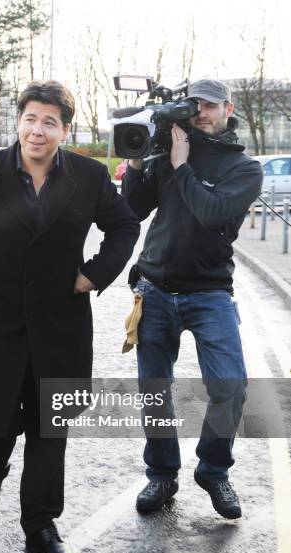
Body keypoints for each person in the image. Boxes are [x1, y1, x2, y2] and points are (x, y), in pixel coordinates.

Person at [0, 80, 140, 553]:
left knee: (51, 431)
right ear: (19, 121)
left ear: (64, 130)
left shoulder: (90, 177)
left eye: (49, 121)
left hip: (62, 326)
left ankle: (42, 531)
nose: (37, 129)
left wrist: (92, 275)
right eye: (31, 118)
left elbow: (125, 226)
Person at [123, 79, 263, 519]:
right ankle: (162, 474)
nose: (201, 112)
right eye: (194, 105)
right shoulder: (166, 153)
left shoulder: (244, 168)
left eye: (209, 105)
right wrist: (139, 159)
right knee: (154, 391)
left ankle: (214, 469)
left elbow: (211, 213)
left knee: (231, 386)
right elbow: (135, 208)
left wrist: (182, 166)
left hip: (210, 293)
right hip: (156, 288)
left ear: (228, 108)